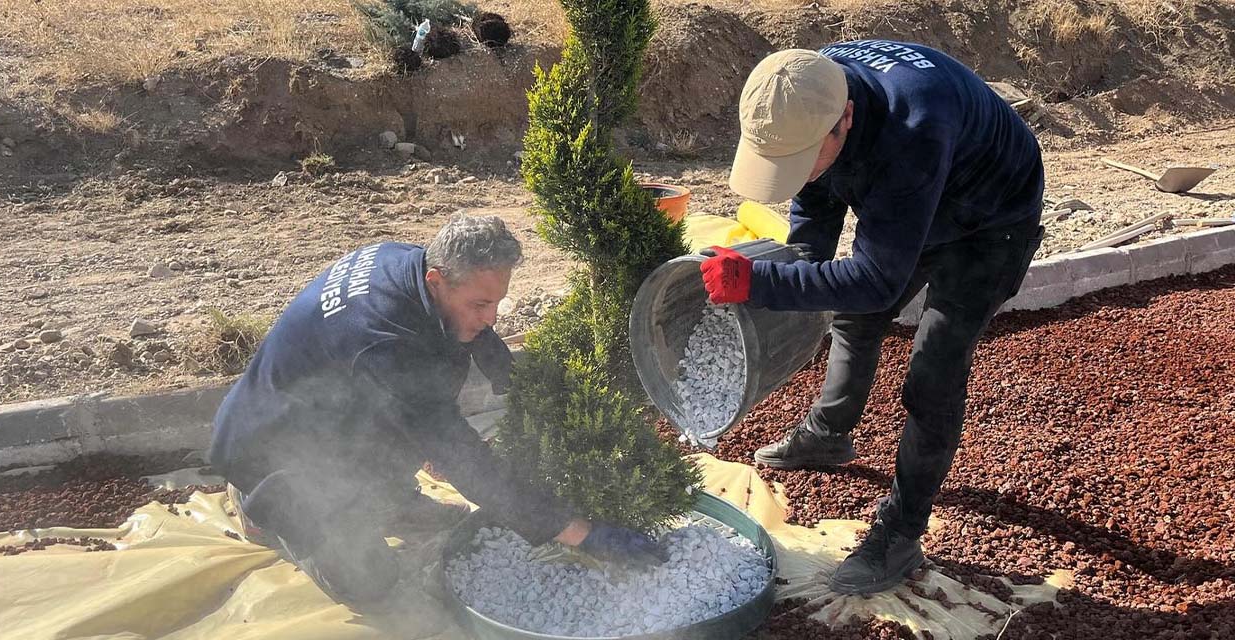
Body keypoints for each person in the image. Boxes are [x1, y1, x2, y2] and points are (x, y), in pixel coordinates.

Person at [700, 42, 1045, 594]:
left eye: (803, 157)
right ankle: (829, 434)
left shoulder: (912, 132)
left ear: (846, 122)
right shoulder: (802, 88)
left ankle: (901, 535)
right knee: (855, 320)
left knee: (933, 369)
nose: (797, 171)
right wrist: (799, 269)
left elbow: (875, 280)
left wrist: (764, 283)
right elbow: (814, 197)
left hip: (990, 221)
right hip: (921, 195)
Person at [210, 214, 665, 614]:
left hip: (332, 416)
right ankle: (259, 507)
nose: (491, 316)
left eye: (497, 302)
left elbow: (469, 327)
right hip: (272, 453)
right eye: (480, 305)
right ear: (436, 281)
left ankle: (385, 498)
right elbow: (459, 453)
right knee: (373, 585)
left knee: (408, 410)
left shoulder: (413, 263)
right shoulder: (383, 344)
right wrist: (580, 534)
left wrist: (516, 381)